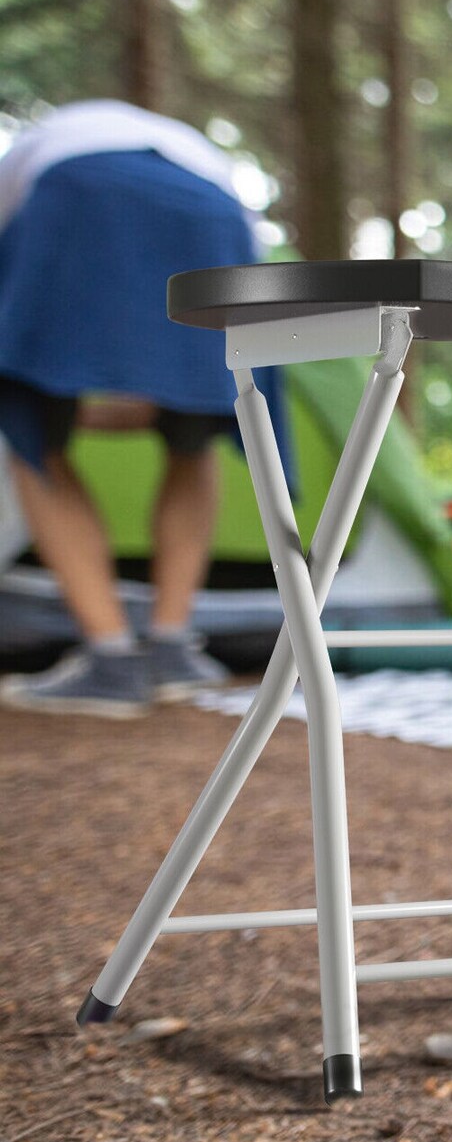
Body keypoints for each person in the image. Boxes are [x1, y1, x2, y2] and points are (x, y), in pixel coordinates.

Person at [0, 100, 272, 717]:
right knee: (194, 428)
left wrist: (47, 400)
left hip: (76, 194)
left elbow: (19, 298)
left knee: (31, 431)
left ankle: (110, 658)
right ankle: (172, 646)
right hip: (215, 212)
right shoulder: (181, 143)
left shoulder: (41, 149)